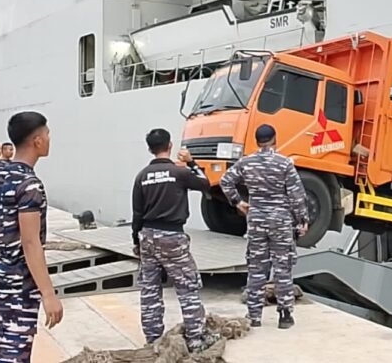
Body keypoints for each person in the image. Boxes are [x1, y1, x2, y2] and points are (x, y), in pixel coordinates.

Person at [131, 128, 217, 352]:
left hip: (147, 236)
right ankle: (196, 340)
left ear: (150, 148)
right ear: (169, 146)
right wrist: (191, 162)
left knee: (150, 290)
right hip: (172, 236)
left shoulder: (141, 176)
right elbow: (205, 183)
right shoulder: (180, 173)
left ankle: (152, 341)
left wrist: (136, 241)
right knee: (187, 287)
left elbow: (137, 214)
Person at [0, 111, 63, 362]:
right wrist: (49, 294)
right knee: (14, 354)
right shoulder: (29, 184)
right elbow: (30, 243)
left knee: (2, 348)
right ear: (37, 141)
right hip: (19, 280)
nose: (50, 139)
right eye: (47, 134)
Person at [219, 124, 309, 330]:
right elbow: (297, 196)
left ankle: (254, 316)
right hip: (281, 221)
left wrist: (238, 202)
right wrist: (302, 221)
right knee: (283, 268)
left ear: (257, 141)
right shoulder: (284, 163)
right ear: (274, 139)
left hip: (256, 220)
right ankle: (285, 316)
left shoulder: (246, 162)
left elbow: (226, 180)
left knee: (256, 268)